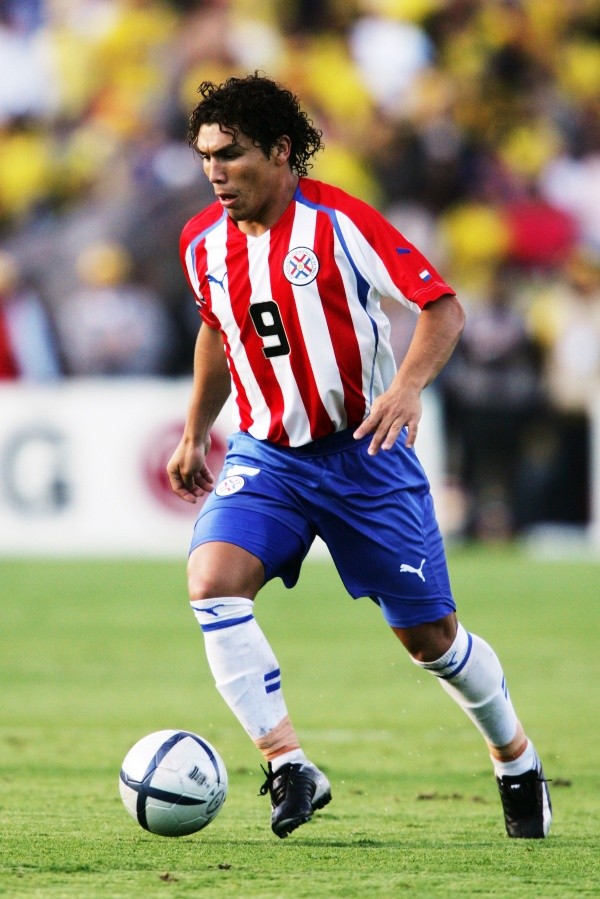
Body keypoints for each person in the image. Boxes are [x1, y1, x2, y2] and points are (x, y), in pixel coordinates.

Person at [168, 73, 551, 841]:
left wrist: (406, 387)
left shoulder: (340, 223)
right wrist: (193, 429)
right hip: (270, 456)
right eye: (206, 156)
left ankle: (516, 758)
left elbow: (443, 307)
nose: (215, 172)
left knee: (432, 642)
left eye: (230, 154)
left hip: (365, 457)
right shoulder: (201, 242)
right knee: (211, 581)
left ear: (280, 151)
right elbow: (217, 330)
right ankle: (288, 764)